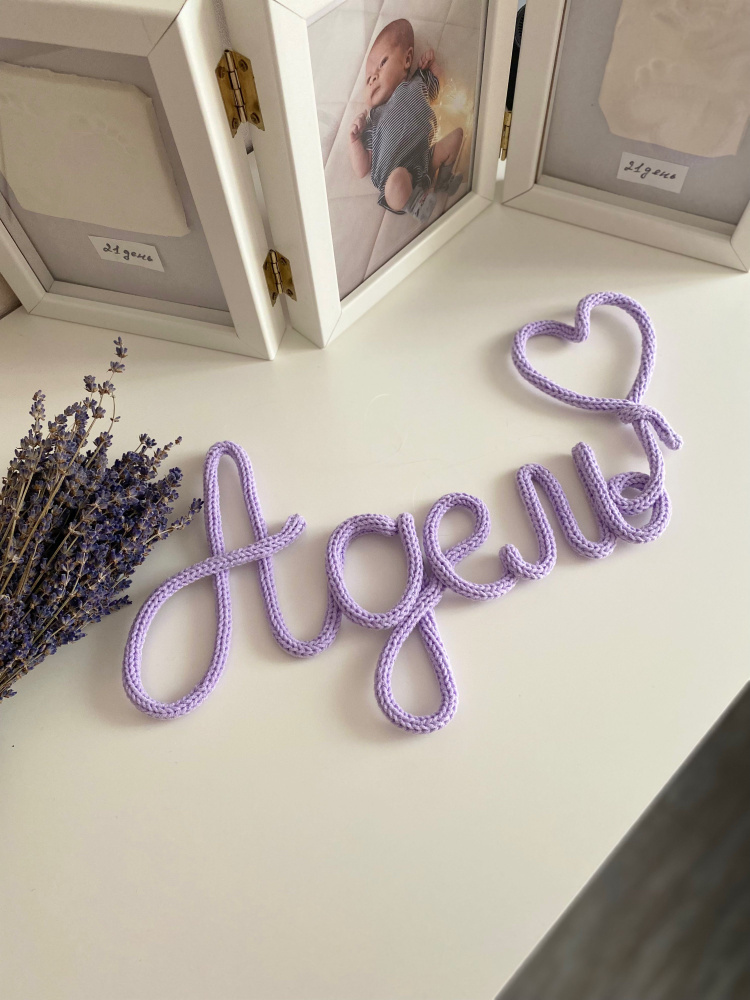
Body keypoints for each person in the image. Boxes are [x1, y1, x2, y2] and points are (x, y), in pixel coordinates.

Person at [348, 19, 464, 222]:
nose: (373, 77)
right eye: (368, 79)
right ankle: (415, 204)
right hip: (394, 175)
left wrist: (433, 66)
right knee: (397, 181)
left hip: (426, 159)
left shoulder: (419, 83)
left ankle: (443, 181)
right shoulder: (374, 118)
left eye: (382, 63)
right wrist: (355, 140)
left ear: (407, 59)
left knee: (457, 136)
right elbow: (362, 169)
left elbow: (440, 84)